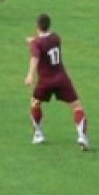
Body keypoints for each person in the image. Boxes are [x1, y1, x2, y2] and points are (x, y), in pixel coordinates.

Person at [25, 13, 90, 150]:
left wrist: (30, 75)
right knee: (77, 107)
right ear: (49, 25)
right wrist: (33, 41)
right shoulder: (56, 38)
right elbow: (45, 42)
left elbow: (35, 57)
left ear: (36, 26)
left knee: (35, 103)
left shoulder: (36, 44)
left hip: (45, 81)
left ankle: (38, 134)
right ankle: (82, 137)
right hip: (62, 79)